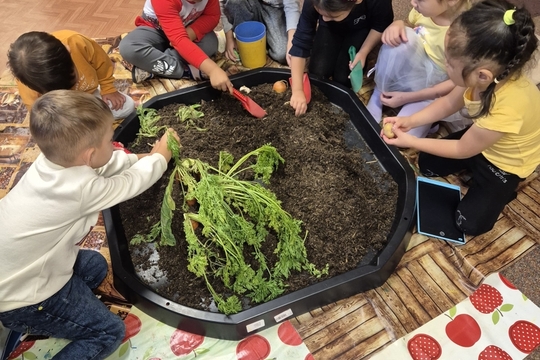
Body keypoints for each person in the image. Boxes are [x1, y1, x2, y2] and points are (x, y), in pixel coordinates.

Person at [0, 90, 178, 359]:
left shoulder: (51, 161)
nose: (113, 144)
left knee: (94, 266)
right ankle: (48, 319)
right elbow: (130, 184)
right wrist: (159, 159)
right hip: (25, 298)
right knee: (108, 332)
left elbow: (103, 164)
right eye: (110, 140)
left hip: (18, 267)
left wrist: (138, 158)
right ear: (90, 153)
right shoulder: (79, 190)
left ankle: (66, 298)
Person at [382, 0, 540, 236]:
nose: (445, 65)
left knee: (468, 224)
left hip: (504, 164)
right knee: (427, 164)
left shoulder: (508, 107)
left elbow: (462, 149)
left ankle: (503, 190)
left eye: (449, 62)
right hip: (479, 139)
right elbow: (447, 103)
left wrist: (411, 141)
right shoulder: (482, 78)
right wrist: (411, 122)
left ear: (482, 75)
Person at [367, 0, 471, 138]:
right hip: (413, 67)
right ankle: (379, 93)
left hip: (436, 88)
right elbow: (409, 24)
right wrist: (398, 23)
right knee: (401, 38)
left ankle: (425, 117)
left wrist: (407, 98)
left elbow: (457, 83)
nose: (412, 2)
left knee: (403, 133)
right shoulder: (422, 9)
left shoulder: (469, 32)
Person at [288, 0, 393, 116]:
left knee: (343, 79)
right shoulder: (319, 6)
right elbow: (301, 41)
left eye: (331, 15)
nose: (324, 19)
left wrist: (363, 52)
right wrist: (297, 90)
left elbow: (381, 25)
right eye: (321, 14)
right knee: (318, 71)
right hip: (330, 29)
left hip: (361, 27)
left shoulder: (378, 3)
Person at [8, 30, 135, 120]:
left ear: (68, 50)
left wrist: (108, 89)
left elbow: (102, 62)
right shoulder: (29, 85)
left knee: (128, 106)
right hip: (63, 109)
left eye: (74, 77)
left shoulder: (75, 41)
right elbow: (40, 112)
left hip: (89, 95)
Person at [119, 0, 233, 93]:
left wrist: (191, 32)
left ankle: (155, 65)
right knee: (128, 47)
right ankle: (187, 71)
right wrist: (212, 70)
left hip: (187, 28)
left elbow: (212, 16)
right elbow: (179, 39)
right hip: (155, 30)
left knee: (211, 43)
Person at [219, 0, 300, 65]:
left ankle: (266, 36)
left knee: (282, 54)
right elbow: (221, 2)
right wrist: (229, 38)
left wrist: (291, 41)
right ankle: (247, 37)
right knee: (234, 2)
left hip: (275, 8)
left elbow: (291, 6)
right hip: (246, 5)